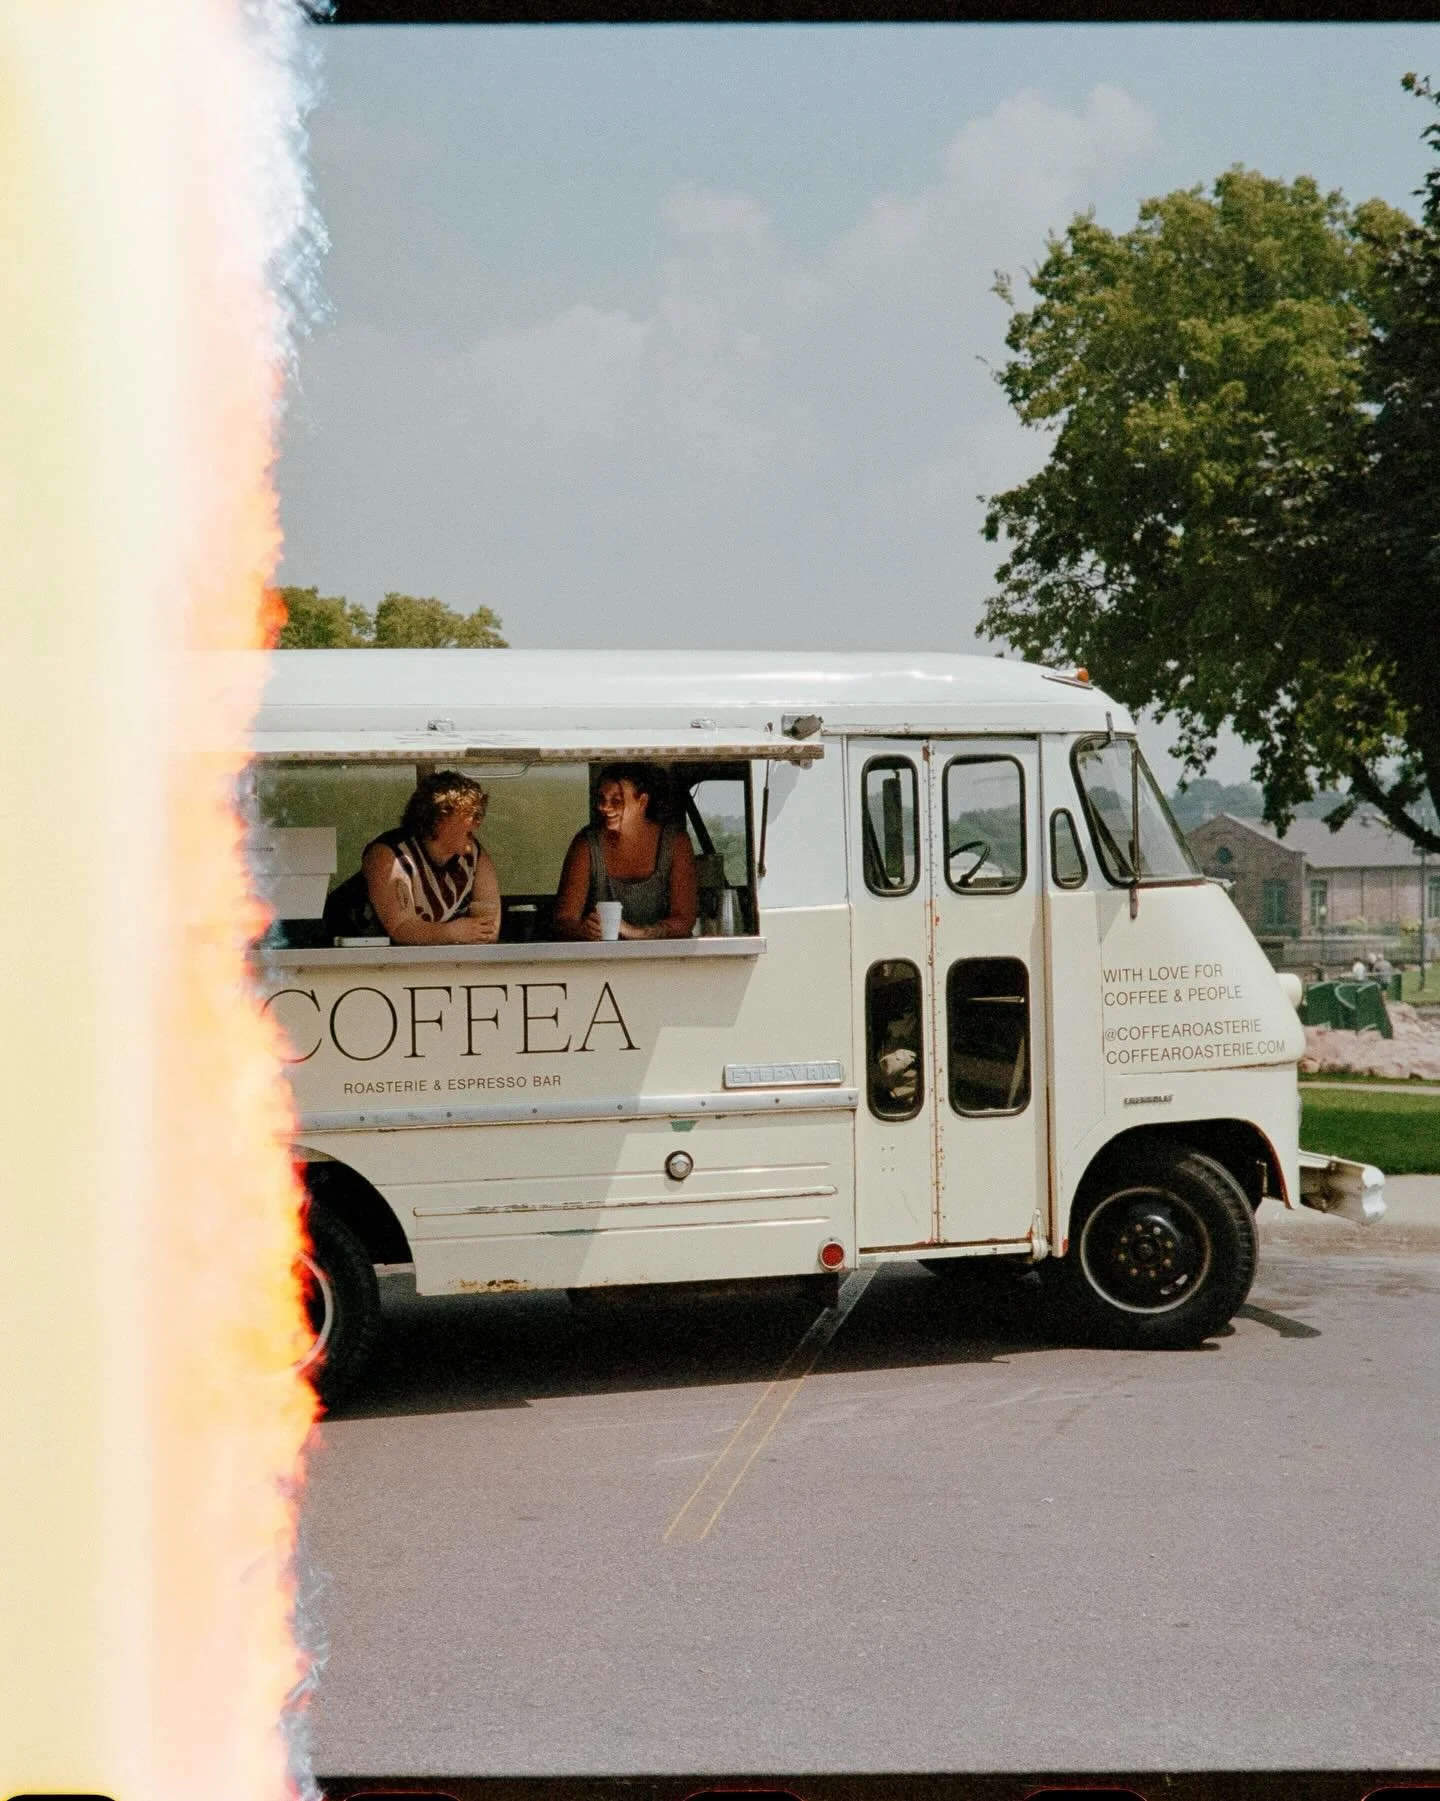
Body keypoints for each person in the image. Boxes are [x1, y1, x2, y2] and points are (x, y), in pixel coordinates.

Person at [322, 770, 501, 945]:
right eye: (467, 812)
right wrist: (453, 932)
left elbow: (489, 927)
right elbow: (402, 929)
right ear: (439, 819)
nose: (477, 819)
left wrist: (475, 932)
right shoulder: (391, 855)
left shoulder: (474, 858)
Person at [553, 764, 698, 941]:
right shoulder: (587, 844)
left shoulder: (675, 843)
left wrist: (635, 933)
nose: (605, 807)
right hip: (601, 963)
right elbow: (564, 919)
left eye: (617, 801)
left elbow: (684, 921)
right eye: (601, 799)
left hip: (666, 962)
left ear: (642, 802)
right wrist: (582, 930)